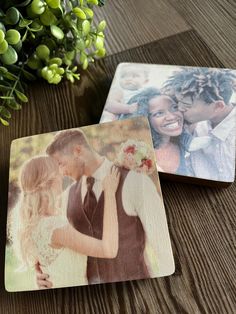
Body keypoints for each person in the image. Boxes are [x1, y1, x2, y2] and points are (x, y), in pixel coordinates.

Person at [36, 129, 174, 288]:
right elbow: (57, 246)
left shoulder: (135, 182)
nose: (61, 172)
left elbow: (164, 249)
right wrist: (42, 274)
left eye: (61, 163)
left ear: (78, 151)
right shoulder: (67, 197)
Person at [12, 156, 120, 289]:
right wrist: (109, 193)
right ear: (49, 182)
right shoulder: (56, 227)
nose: (62, 177)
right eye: (58, 174)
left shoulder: (34, 224)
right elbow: (108, 249)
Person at [163, 67, 236, 181]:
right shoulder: (193, 124)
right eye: (178, 102)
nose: (180, 109)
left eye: (186, 105)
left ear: (218, 106)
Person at [119, 87, 190, 175]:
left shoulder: (185, 144)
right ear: (144, 119)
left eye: (174, 108)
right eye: (159, 113)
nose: (172, 116)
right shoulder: (133, 154)